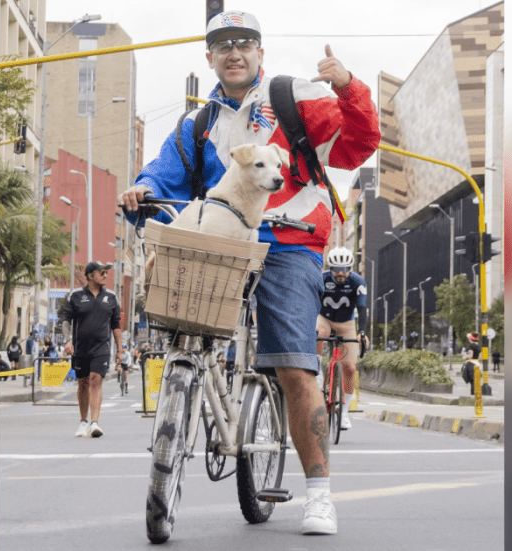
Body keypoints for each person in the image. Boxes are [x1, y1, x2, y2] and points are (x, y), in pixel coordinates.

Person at [119, 10, 379, 536]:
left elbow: (357, 145)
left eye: (244, 42)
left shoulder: (294, 97)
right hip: (220, 241)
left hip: (289, 242)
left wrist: (349, 87)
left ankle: (319, 493)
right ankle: (195, 383)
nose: (233, 52)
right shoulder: (199, 122)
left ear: (260, 51)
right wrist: (140, 190)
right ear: (209, 56)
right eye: (221, 44)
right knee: (184, 329)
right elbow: (162, 174)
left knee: (290, 363)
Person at [61, 261, 122, 438]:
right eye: (101, 272)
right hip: (81, 348)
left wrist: (120, 349)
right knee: (83, 383)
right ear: (90, 276)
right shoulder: (76, 296)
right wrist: (67, 341)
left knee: (96, 380)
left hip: (102, 348)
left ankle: (95, 423)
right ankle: (83, 421)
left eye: (106, 272)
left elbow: (116, 325)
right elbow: (67, 320)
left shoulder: (111, 297)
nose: (105, 275)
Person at [315, 247, 368, 431]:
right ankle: (317, 369)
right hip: (325, 318)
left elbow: (362, 308)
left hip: (346, 323)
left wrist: (362, 331)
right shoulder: (321, 279)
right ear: (330, 268)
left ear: (350, 268)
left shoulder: (357, 281)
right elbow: (311, 301)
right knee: (319, 333)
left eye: (345, 268)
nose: (341, 273)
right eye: (337, 268)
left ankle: (344, 413)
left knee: (350, 368)